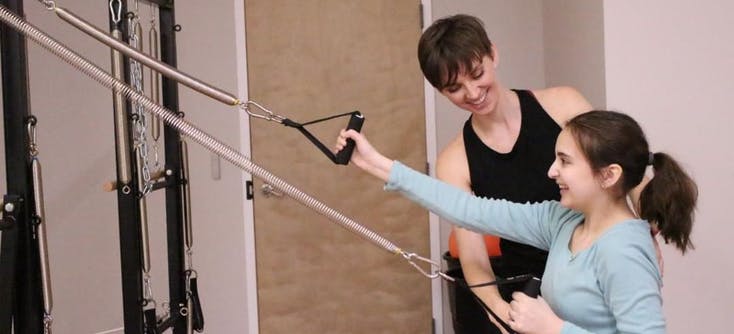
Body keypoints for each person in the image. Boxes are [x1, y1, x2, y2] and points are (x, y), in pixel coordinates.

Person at [335, 110, 697, 333]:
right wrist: (377, 164)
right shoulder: (563, 221)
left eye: (565, 161)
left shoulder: (624, 251)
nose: (551, 170)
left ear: (608, 175)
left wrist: (553, 329)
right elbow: (471, 210)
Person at [418, 14, 593, 332]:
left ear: (493, 54)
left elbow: (620, 168)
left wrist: (644, 232)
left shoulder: (564, 105)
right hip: (533, 293)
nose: (472, 93)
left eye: (477, 74)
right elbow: (472, 255)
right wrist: (498, 310)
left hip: (595, 271)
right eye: (455, 88)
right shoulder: (455, 162)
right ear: (440, 91)